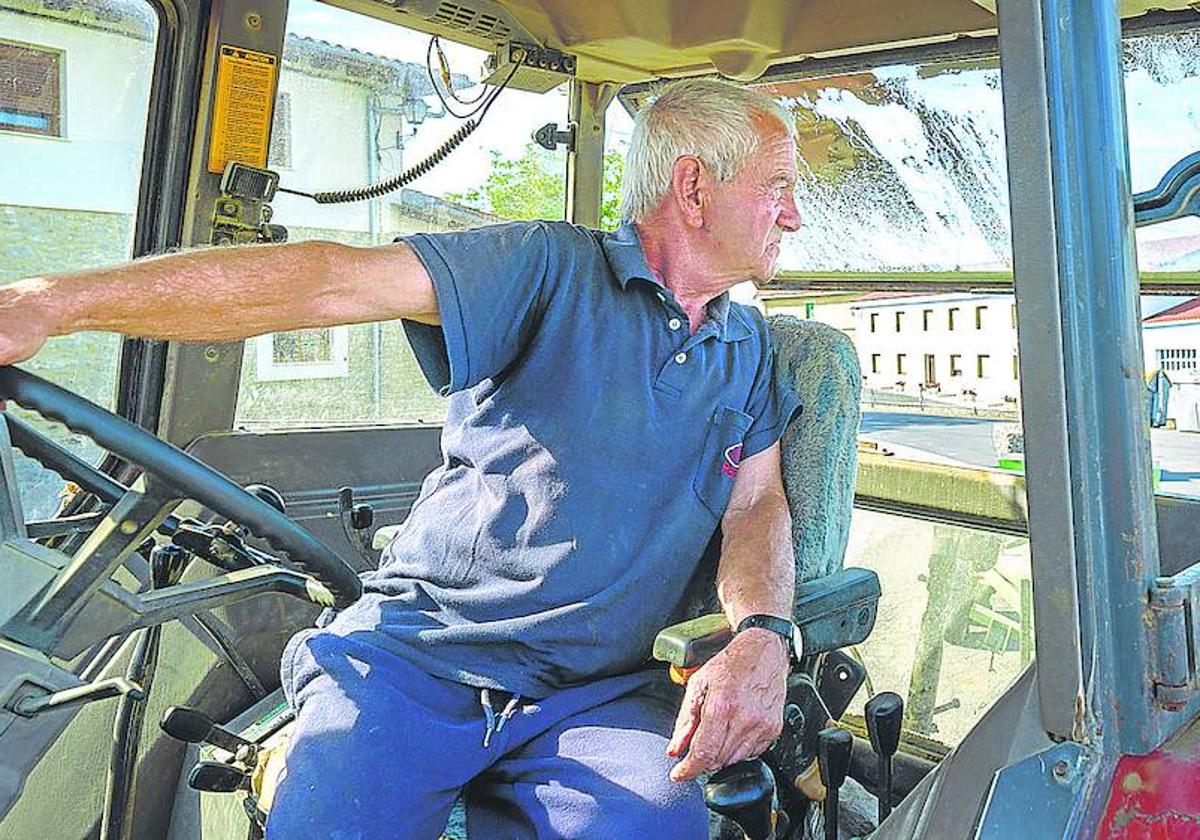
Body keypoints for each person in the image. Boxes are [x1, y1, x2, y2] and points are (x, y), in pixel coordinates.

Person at [0, 78, 803, 837]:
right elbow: (328, 284)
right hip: (420, 656)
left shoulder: (750, 348)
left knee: (652, 823)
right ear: (695, 189)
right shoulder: (550, 268)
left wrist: (763, 633)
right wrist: (54, 303)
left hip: (601, 695)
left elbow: (755, 504)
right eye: (778, 187)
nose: (793, 216)